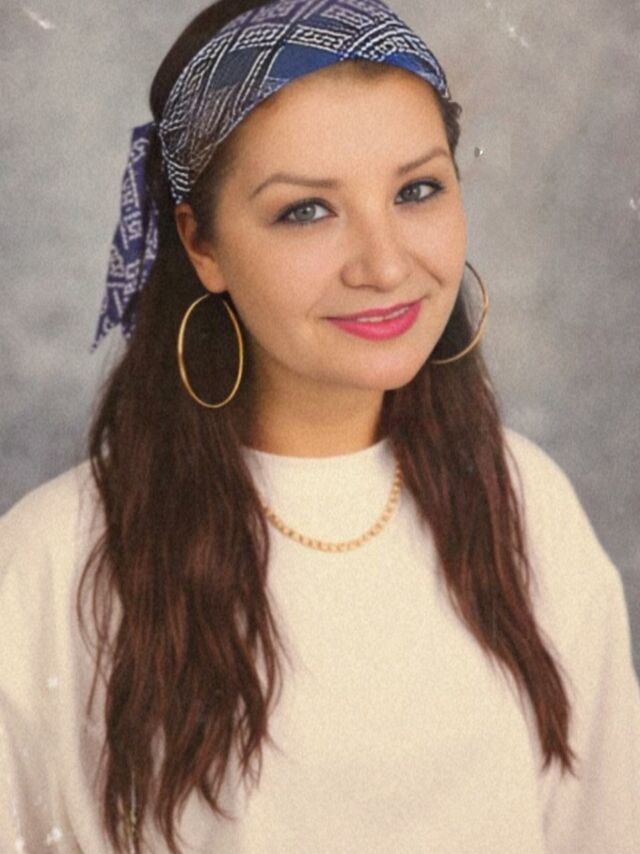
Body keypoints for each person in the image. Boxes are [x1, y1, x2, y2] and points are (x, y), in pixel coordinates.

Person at [1, 0, 638, 851]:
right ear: (202, 244)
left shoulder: (526, 503)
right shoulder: (52, 559)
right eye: (306, 210)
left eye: (416, 191)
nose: (385, 263)